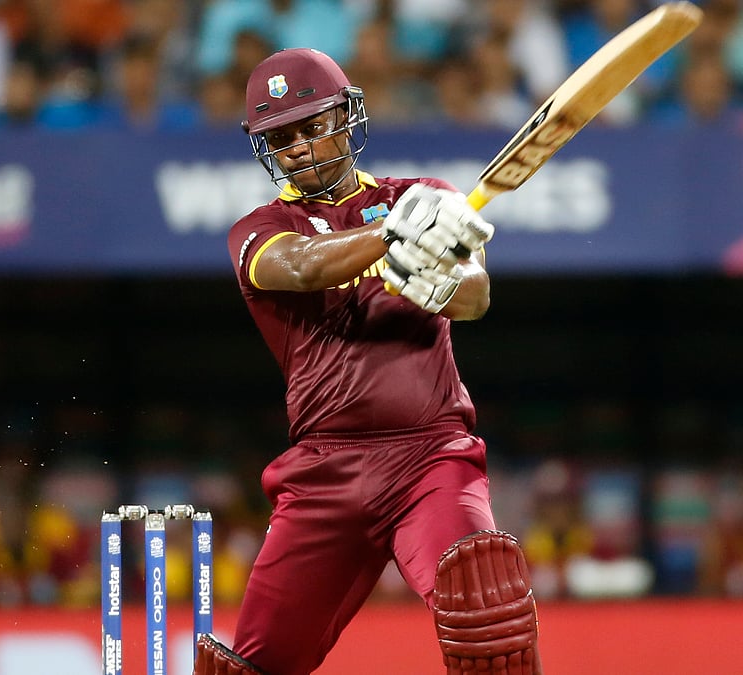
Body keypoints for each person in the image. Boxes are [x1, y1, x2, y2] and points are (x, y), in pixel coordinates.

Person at [193, 49, 543, 674]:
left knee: (485, 604)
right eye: (280, 136)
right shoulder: (257, 228)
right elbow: (300, 265)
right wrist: (393, 238)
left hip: (431, 456)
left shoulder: (423, 196)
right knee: (251, 668)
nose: (297, 147)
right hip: (326, 471)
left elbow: (476, 294)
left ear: (346, 117)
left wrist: (437, 284)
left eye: (310, 126)